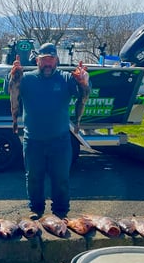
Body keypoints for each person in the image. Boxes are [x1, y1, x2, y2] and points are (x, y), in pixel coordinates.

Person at [14, 42, 90, 220]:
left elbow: (85, 92)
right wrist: (13, 75)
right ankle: (36, 209)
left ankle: (61, 211)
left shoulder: (66, 78)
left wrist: (85, 80)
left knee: (61, 178)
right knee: (33, 177)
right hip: (33, 140)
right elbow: (8, 90)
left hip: (60, 140)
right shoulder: (27, 78)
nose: (48, 64)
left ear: (56, 60)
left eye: (51, 60)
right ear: (37, 61)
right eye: (44, 60)